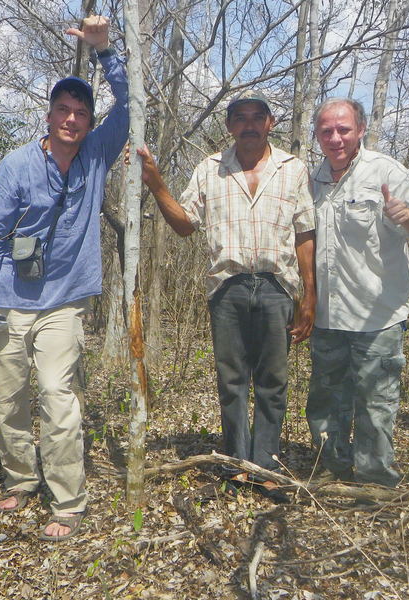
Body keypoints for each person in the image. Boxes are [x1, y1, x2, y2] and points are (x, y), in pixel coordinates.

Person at [0, 16, 128, 541]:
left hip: (64, 303)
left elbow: (131, 109)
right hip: (10, 301)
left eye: (81, 113)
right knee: (9, 399)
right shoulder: (16, 164)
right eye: (64, 109)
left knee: (58, 396)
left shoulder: (97, 155)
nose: (72, 119)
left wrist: (107, 53)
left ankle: (68, 502)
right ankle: (21, 478)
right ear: (50, 112)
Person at [137, 90, 316, 503]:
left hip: (277, 287)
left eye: (258, 117)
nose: (249, 125)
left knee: (273, 382)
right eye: (240, 118)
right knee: (232, 382)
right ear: (229, 126)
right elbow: (185, 225)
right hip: (227, 288)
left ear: (271, 123)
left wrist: (309, 297)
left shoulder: (293, 169)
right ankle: (238, 465)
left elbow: (306, 233)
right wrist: (156, 182)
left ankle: (266, 467)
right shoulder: (209, 169)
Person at [306, 98, 409, 487]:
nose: (335, 137)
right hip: (327, 316)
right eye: (326, 130)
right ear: (317, 135)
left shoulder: (385, 171)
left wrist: (404, 215)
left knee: (376, 407)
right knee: (327, 403)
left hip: (377, 316)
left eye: (343, 129)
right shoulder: (312, 179)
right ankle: (332, 472)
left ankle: (376, 482)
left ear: (360, 130)